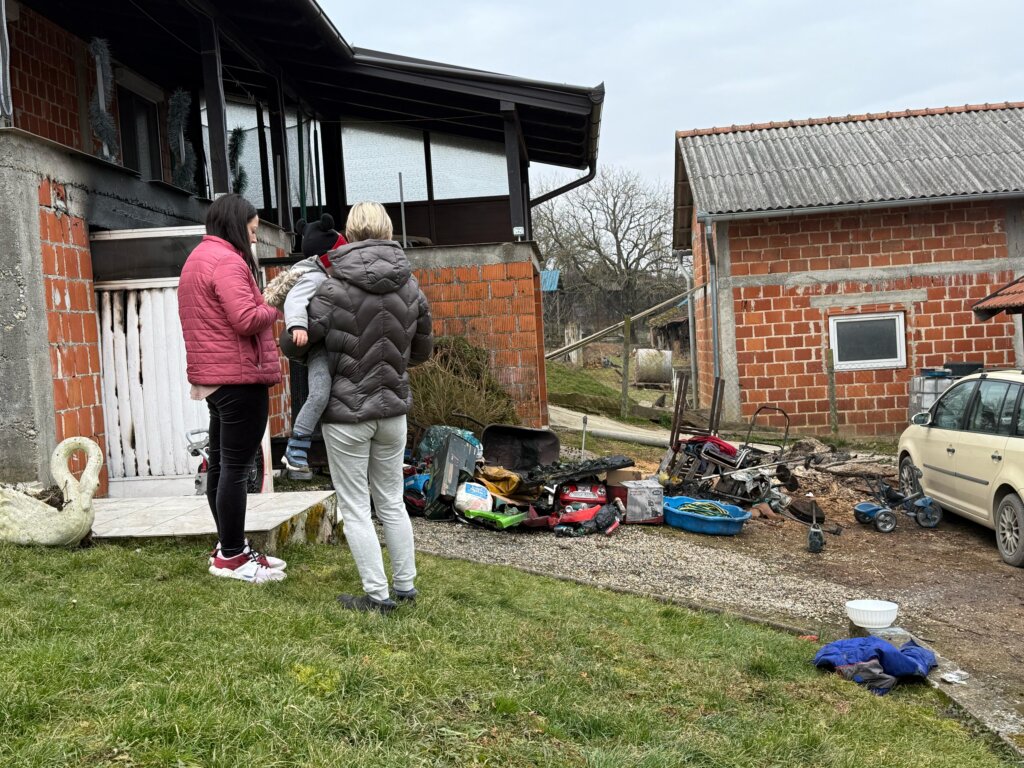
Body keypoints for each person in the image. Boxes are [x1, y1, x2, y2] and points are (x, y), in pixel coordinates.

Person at [306, 201, 433, 613]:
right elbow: (422, 351)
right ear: (387, 229)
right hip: (393, 410)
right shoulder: (412, 286)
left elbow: (298, 343)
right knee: (392, 500)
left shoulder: (331, 286)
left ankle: (377, 596)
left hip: (346, 413)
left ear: (350, 232)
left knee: (357, 507)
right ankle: (406, 587)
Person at [178, 193, 287, 584]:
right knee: (236, 469)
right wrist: (276, 303)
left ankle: (231, 546)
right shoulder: (227, 261)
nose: (254, 240)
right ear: (236, 225)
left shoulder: (198, 258)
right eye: (253, 231)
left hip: (215, 379)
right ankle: (233, 557)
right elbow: (245, 319)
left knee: (222, 465)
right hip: (239, 378)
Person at [275, 214, 347, 480]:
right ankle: (296, 448)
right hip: (318, 348)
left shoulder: (323, 274)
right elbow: (295, 300)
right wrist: (298, 326)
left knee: (324, 395)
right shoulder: (314, 277)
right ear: (330, 256)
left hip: (328, 346)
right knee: (319, 394)